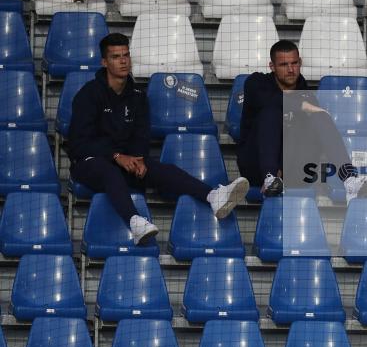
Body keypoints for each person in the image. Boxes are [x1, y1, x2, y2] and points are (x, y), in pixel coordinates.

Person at [68, 34, 249, 245]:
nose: (124, 61)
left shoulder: (137, 95)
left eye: (126, 55)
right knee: (108, 171)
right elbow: (78, 143)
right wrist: (115, 156)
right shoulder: (88, 94)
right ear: (104, 62)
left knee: (164, 169)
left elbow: (140, 134)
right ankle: (135, 221)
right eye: (116, 57)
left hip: (124, 162)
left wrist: (138, 158)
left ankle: (213, 197)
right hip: (90, 162)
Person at [236, 40, 367, 201]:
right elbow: (270, 100)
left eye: (295, 63)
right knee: (271, 112)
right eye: (283, 65)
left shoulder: (304, 92)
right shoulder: (256, 83)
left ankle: (350, 180)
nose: (290, 69)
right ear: (272, 67)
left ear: (300, 63)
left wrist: (316, 112)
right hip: (256, 168)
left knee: (320, 116)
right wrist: (304, 106)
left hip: (293, 169)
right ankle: (270, 178)